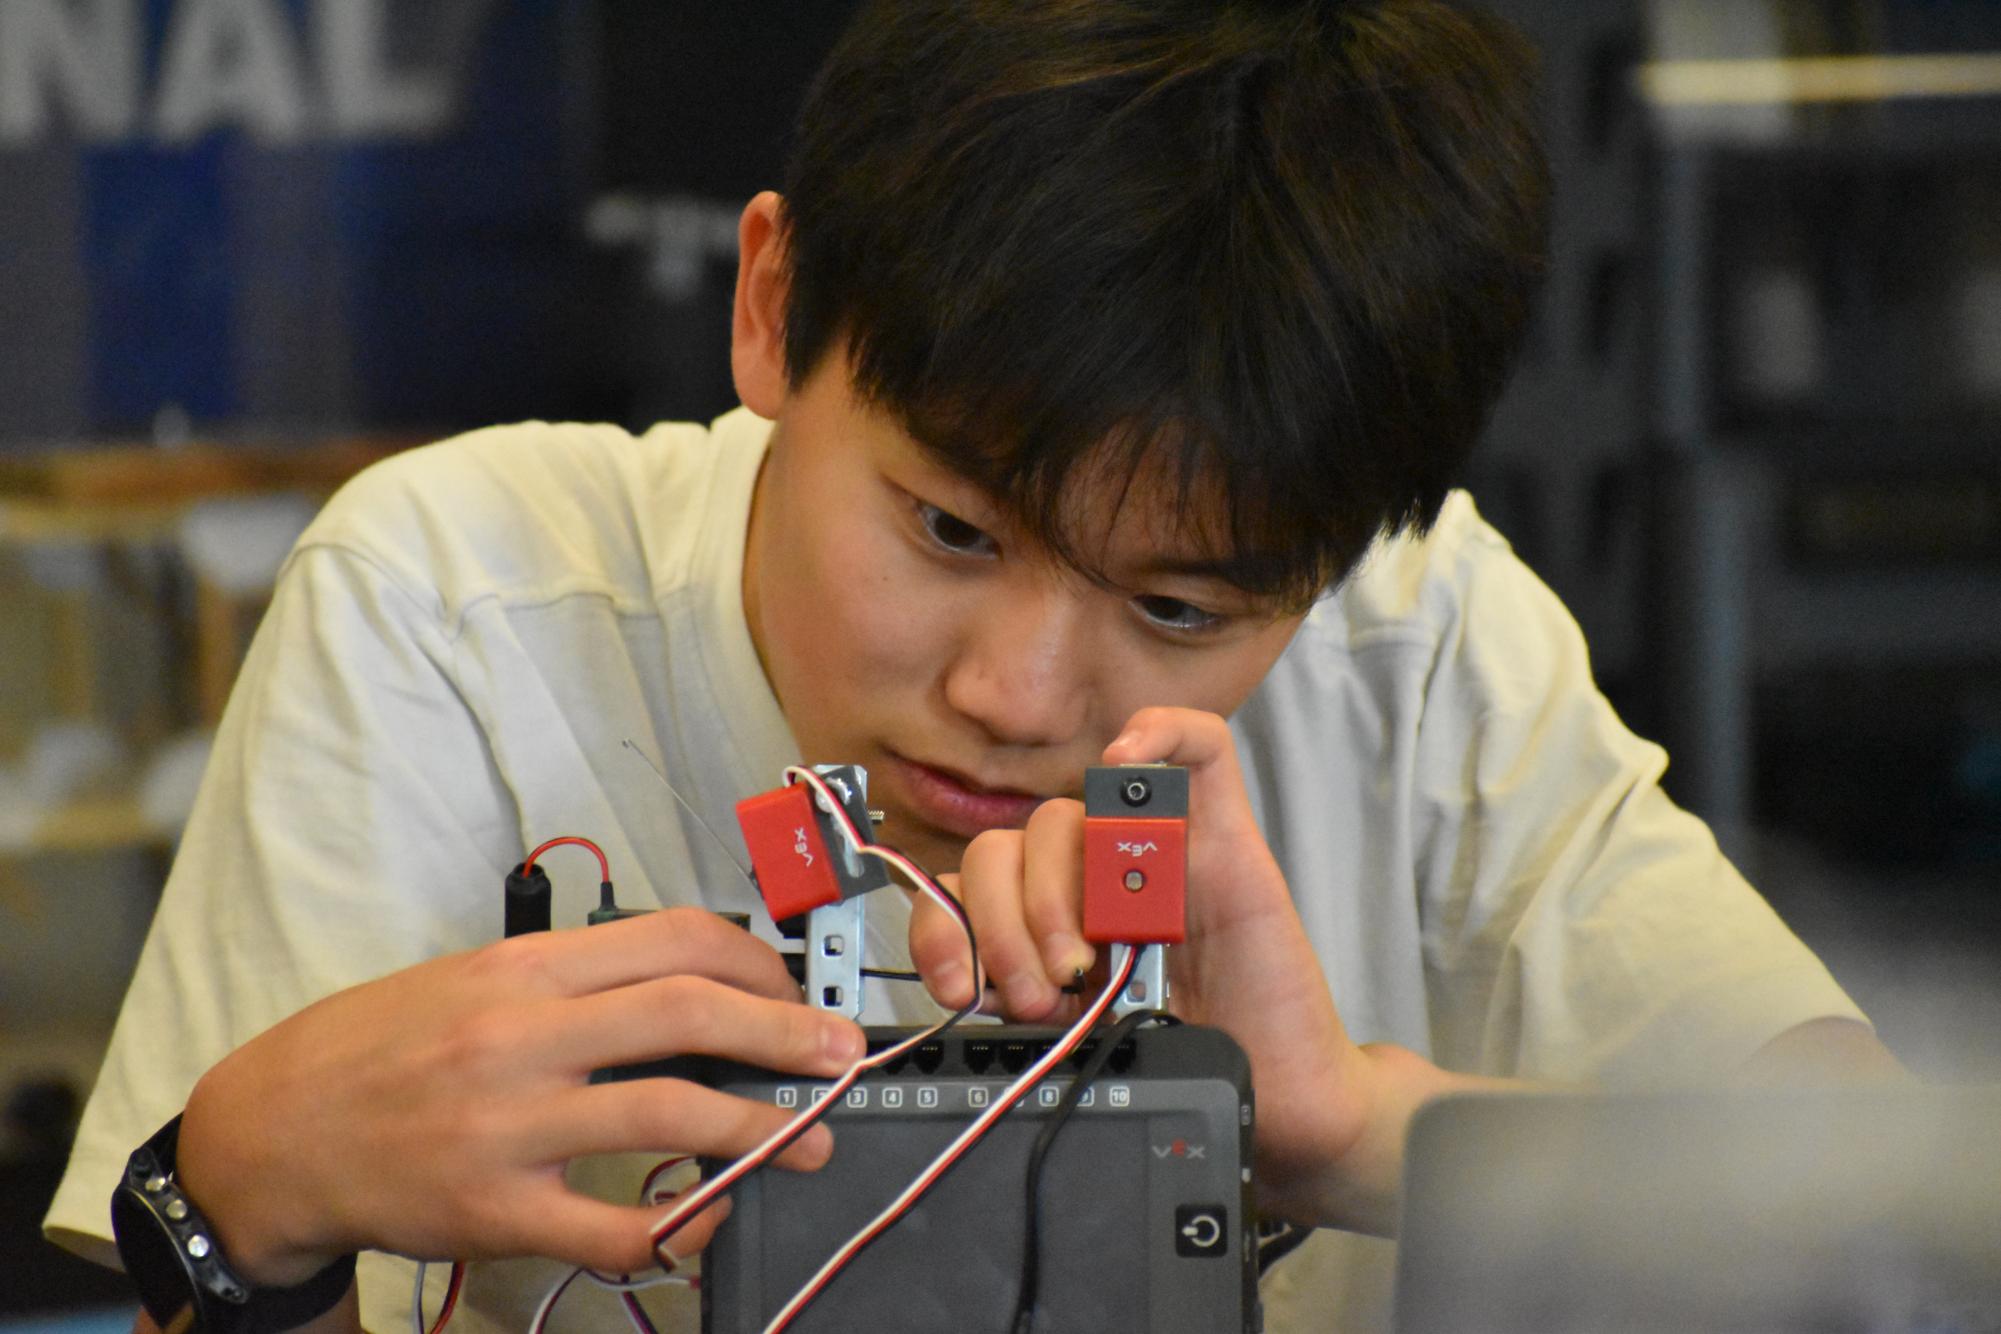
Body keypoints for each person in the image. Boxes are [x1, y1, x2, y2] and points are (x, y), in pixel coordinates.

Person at [47, 1, 1902, 1330]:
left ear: (1341, 558)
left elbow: (1880, 1224)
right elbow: (213, 1268)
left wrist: (1342, 1128)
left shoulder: (1417, 644)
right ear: (772, 308)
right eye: (949, 528)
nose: (1019, 698)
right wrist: (238, 1197)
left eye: (1177, 611)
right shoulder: (455, 603)